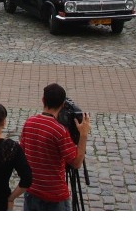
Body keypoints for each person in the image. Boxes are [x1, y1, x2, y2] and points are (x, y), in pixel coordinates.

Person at [19, 83, 91, 211]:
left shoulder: (28, 123)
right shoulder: (59, 131)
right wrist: (83, 134)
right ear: (63, 105)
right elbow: (76, 163)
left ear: (43, 100)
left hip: (32, 191)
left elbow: (22, 153)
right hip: (55, 197)